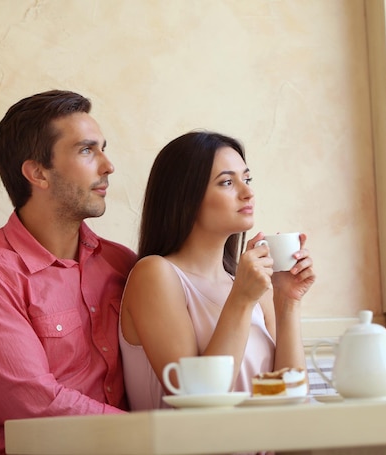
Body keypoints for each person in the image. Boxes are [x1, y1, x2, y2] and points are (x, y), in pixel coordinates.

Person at [0, 90, 137, 455]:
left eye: (102, 148)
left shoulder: (122, 264)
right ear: (38, 173)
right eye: (87, 150)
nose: (108, 166)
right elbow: (31, 406)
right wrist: (155, 434)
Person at [120, 131, 316, 410]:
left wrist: (287, 301)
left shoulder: (251, 287)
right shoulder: (154, 274)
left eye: (247, 179)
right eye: (227, 182)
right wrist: (241, 299)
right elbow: (199, 402)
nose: (248, 192)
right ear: (185, 197)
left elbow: (290, 401)